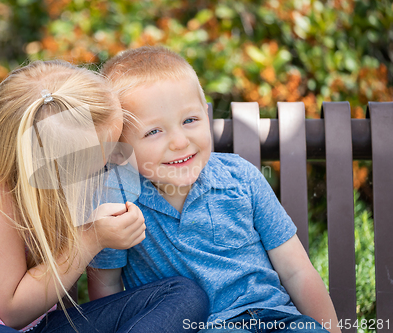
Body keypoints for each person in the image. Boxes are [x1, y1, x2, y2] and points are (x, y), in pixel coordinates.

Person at [0, 60, 209, 333]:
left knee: (182, 295)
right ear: (49, 164)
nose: (110, 162)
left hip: (37, 325)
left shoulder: (34, 181)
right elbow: (10, 312)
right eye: (95, 161)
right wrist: (90, 239)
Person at [87, 47, 341, 333]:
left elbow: (297, 270)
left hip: (277, 319)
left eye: (190, 120)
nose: (180, 142)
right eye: (154, 131)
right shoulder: (118, 202)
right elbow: (108, 289)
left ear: (206, 115)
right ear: (119, 147)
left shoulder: (241, 178)